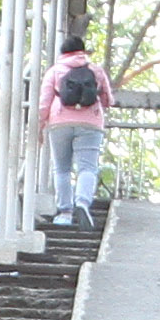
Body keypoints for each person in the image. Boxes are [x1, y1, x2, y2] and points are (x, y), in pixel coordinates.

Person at [37, 35, 110, 227]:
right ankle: (83, 202)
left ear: (63, 52)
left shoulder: (55, 71)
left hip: (59, 123)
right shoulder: (96, 71)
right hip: (90, 124)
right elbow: (108, 99)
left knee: (62, 168)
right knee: (87, 167)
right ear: (82, 52)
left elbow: (43, 104)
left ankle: (65, 212)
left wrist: (39, 126)